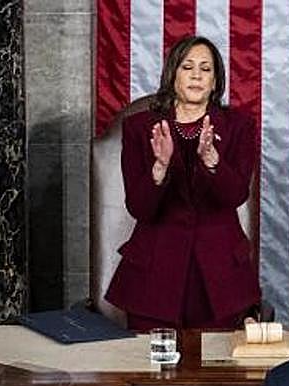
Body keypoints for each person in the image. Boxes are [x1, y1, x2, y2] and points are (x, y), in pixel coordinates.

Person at [106, 34, 260, 331]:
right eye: (187, 67)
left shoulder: (239, 126)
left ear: (216, 81)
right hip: (154, 278)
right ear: (172, 74)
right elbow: (139, 207)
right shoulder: (139, 128)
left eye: (206, 69)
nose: (196, 76)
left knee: (214, 371)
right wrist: (160, 167)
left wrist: (213, 161)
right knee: (150, 371)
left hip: (219, 277)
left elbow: (236, 194)